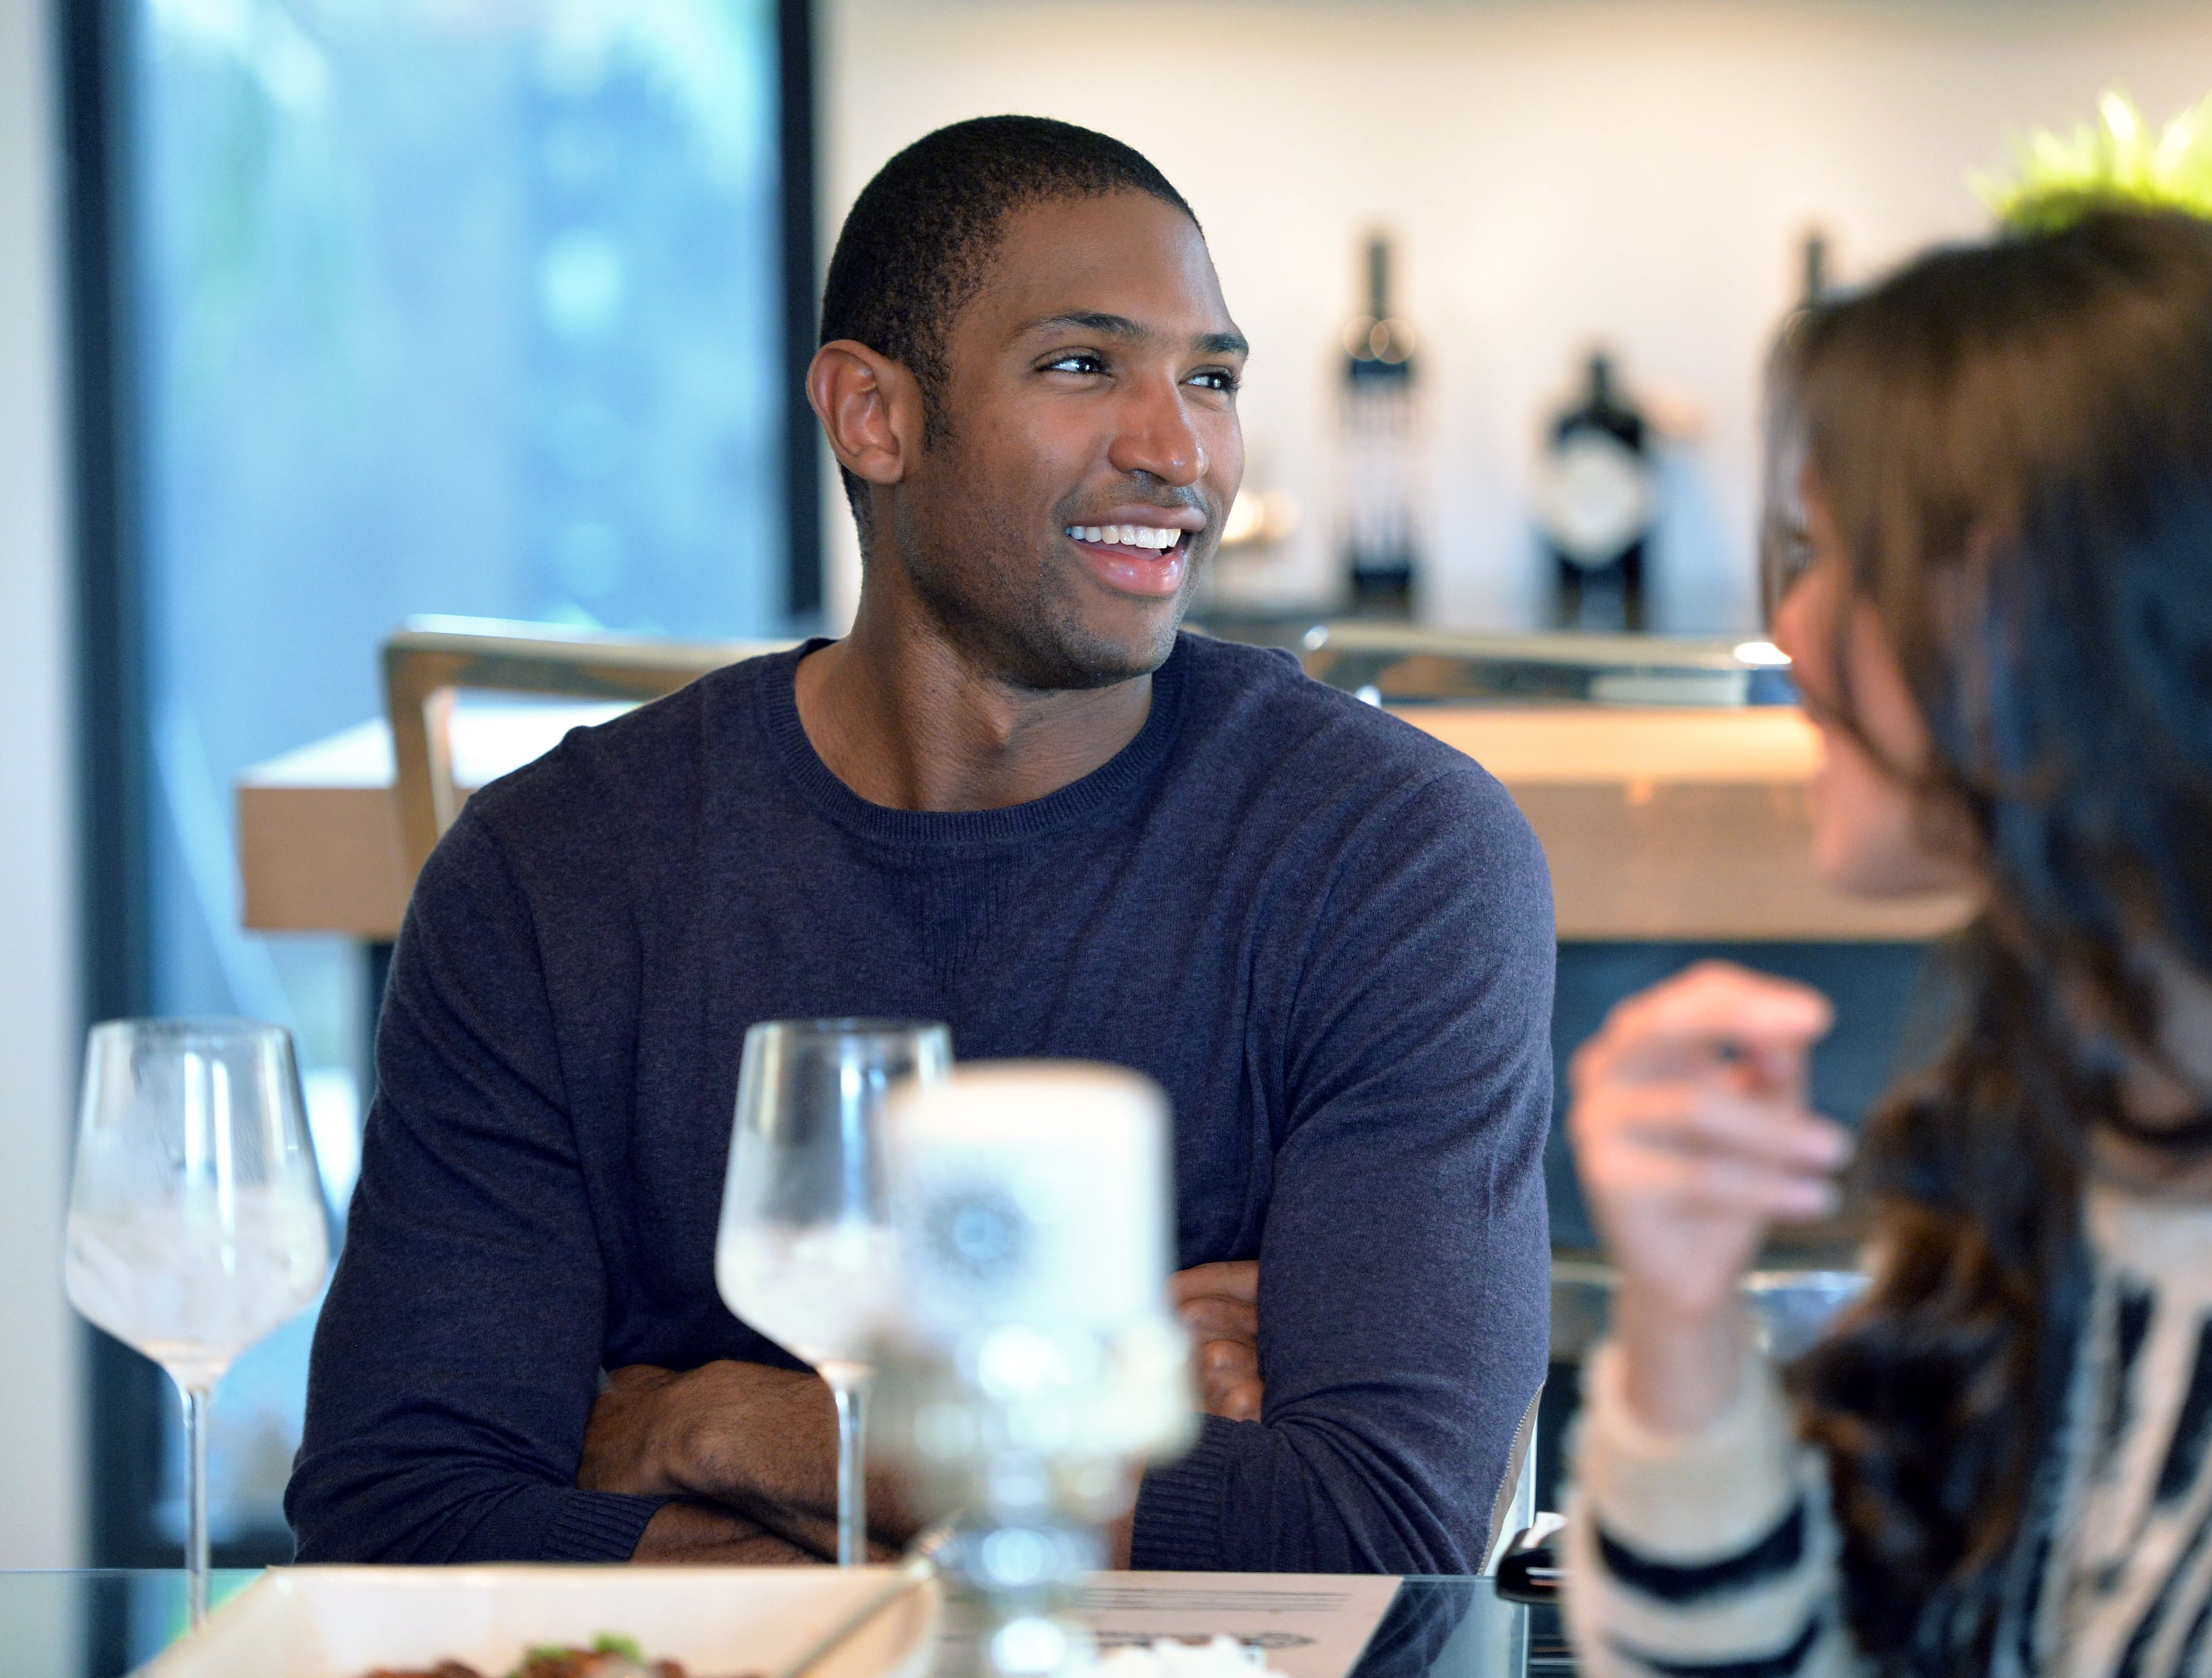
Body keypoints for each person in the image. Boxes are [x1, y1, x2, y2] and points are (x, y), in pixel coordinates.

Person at [287, 116, 1553, 1574]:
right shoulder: (553, 872)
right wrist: (1084, 1429)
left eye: (1210, 377)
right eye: (1084, 366)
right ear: (872, 416)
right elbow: (398, 1517)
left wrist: (715, 1425)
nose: (1178, 448)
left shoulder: (1392, 856)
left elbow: (1369, 1526)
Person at [1561, 210, 2212, 1677]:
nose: (1791, 627)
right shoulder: (2053, 1108)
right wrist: (1678, 1321)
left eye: (1841, 554)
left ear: (2031, 604)